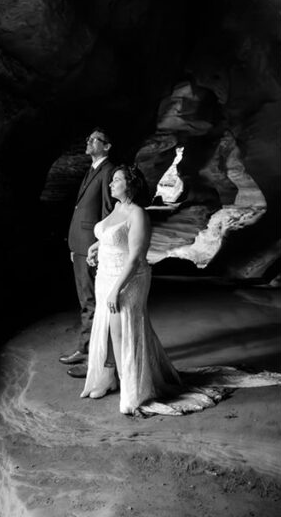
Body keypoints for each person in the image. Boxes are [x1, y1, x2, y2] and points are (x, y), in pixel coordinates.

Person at [80, 165, 236, 415]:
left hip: (127, 278)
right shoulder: (118, 208)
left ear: (129, 185)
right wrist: (95, 247)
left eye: (116, 180)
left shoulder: (138, 214)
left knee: (122, 331)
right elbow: (112, 235)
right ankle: (108, 379)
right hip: (104, 274)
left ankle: (130, 390)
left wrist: (116, 290)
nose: (110, 184)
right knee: (107, 328)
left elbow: (136, 257)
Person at [60, 128, 115, 378]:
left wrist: (98, 245)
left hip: (91, 246)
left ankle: (94, 357)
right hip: (80, 245)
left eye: (95, 140)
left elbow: (107, 210)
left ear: (107, 146)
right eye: (88, 138)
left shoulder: (108, 171)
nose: (89, 142)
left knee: (92, 301)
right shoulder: (91, 170)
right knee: (85, 300)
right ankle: (84, 349)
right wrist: (75, 246)